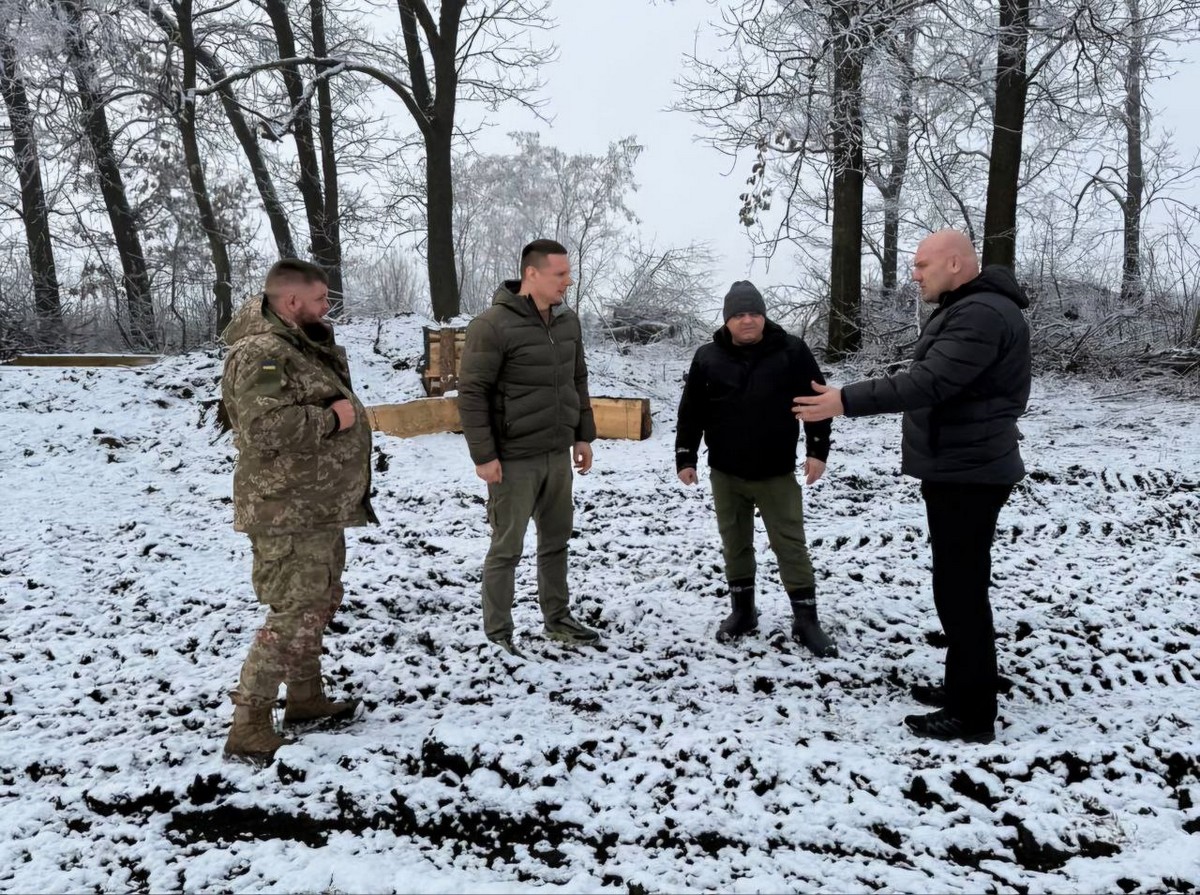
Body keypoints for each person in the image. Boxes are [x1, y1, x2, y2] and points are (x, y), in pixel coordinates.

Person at [794, 230, 1031, 743]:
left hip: (969, 472)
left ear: (954, 262)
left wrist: (846, 400)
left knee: (960, 589)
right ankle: (969, 684)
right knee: (960, 584)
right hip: (962, 465)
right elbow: (934, 376)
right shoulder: (970, 308)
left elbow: (930, 382)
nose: (915, 274)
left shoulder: (981, 314)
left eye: (922, 264)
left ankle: (972, 715)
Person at [220, 259, 376, 763]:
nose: (326, 307)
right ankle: (249, 724)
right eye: (319, 299)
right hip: (286, 509)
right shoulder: (263, 353)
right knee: (293, 610)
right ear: (291, 302)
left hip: (315, 504)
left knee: (320, 599)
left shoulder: (297, 345)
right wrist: (332, 418)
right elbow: (261, 428)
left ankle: (305, 699)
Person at [676, 281, 838, 657]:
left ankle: (806, 620)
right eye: (738, 314)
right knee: (735, 542)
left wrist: (817, 450)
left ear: (764, 316)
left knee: (790, 545)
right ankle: (743, 612)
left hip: (776, 471)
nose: (747, 320)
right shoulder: (707, 357)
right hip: (726, 472)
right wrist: (685, 456)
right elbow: (691, 411)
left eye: (754, 313)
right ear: (727, 320)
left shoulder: (791, 351)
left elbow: (817, 402)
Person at [457, 239, 599, 656]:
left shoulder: (567, 322)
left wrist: (582, 434)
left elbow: (578, 379)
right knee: (507, 547)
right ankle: (498, 634)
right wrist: (484, 456)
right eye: (560, 275)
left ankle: (557, 619)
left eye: (568, 274)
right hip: (513, 459)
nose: (568, 283)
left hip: (557, 454)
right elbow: (472, 394)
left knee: (556, 540)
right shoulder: (492, 325)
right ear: (531, 274)